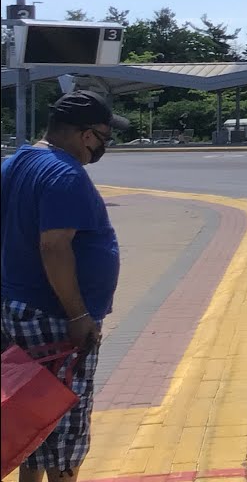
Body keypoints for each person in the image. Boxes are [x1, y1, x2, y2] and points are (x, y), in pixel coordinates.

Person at [1, 90, 129, 482]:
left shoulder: (14, 164)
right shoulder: (65, 173)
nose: (103, 146)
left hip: (21, 308)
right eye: (105, 136)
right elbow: (54, 246)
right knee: (63, 431)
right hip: (55, 318)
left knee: (33, 418)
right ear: (86, 134)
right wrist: (78, 315)